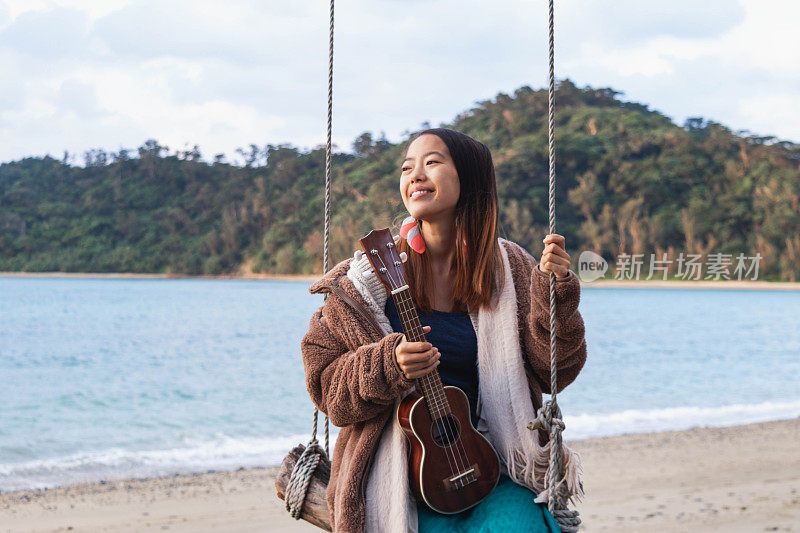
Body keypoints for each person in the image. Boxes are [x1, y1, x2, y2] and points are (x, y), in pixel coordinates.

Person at [301, 128, 587, 532]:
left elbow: (555, 369)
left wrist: (556, 294)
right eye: (407, 168)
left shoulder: (511, 269)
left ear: (468, 179)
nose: (415, 175)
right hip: (397, 478)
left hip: (491, 464)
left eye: (431, 162)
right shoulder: (364, 280)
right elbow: (326, 389)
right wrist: (387, 363)